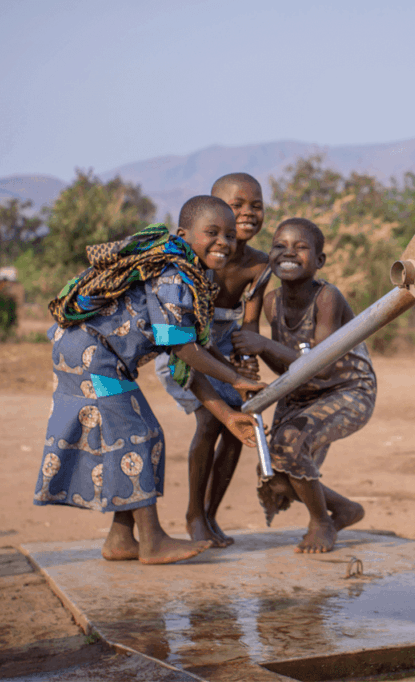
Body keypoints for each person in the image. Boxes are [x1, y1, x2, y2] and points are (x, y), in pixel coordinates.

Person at [35, 196, 266, 565]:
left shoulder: (188, 275)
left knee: (139, 433)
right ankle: (152, 541)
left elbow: (186, 357)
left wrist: (226, 415)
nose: (224, 242)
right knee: (136, 434)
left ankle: (121, 538)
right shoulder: (173, 274)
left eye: (229, 235)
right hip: (92, 359)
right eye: (212, 233)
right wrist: (237, 379)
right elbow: (186, 351)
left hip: (96, 359)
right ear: (183, 234)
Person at [232, 217, 372, 554]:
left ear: (319, 260)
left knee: (291, 445)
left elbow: (318, 363)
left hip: (347, 389)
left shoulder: (328, 298)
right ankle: (344, 510)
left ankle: (321, 522)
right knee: (277, 474)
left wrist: (262, 344)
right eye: (279, 246)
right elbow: (288, 365)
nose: (288, 253)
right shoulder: (271, 302)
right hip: (299, 390)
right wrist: (255, 351)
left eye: (300, 247)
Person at [154, 173, 270, 547]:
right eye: (237, 206)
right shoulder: (198, 258)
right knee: (210, 420)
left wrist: (246, 362)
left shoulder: (260, 265)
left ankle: (211, 512)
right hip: (185, 346)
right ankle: (193, 515)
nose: (247, 213)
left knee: (240, 424)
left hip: (222, 349)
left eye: (256, 205)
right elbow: (182, 338)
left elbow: (248, 325)